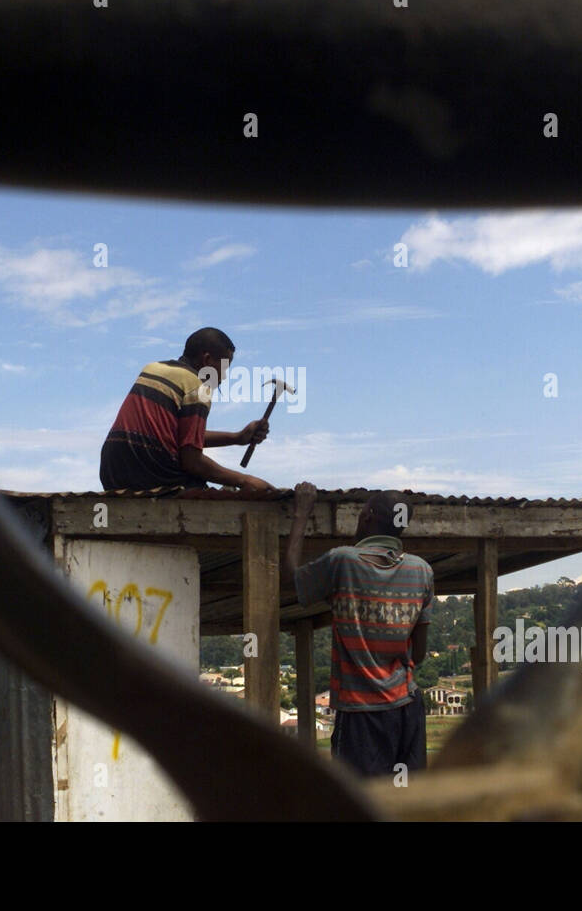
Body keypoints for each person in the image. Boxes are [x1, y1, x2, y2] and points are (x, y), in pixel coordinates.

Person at [286, 482, 434, 778]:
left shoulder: (341, 561)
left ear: (366, 517)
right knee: (409, 798)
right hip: (407, 707)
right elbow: (419, 653)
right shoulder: (422, 571)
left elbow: (292, 578)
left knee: (356, 802)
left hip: (360, 712)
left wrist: (301, 513)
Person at [99, 327, 274, 491]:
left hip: (112, 473)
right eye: (224, 367)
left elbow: (178, 437)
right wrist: (244, 480)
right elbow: (192, 462)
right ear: (207, 360)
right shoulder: (197, 388)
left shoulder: (152, 368)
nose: (224, 376)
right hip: (151, 476)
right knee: (218, 493)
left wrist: (237, 437)